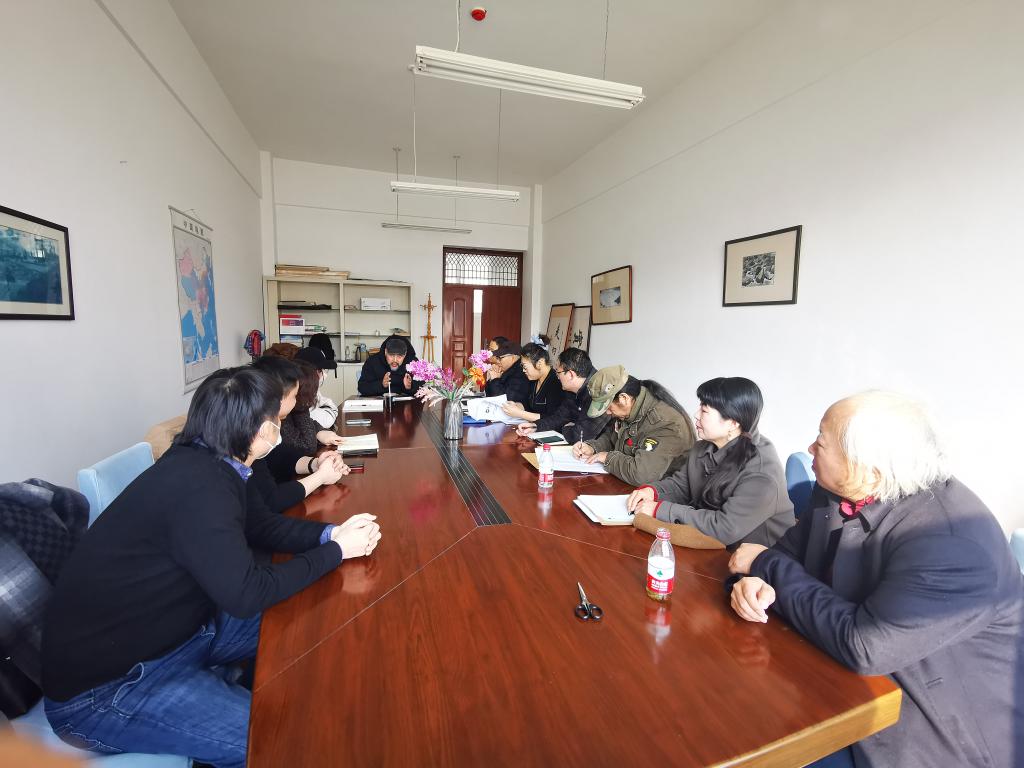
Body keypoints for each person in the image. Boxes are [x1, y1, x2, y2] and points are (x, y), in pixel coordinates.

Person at [41, 367, 381, 766]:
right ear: (258, 431)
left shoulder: (213, 462)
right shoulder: (200, 488)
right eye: (275, 421)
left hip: (182, 630)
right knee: (279, 742)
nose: (278, 429)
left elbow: (262, 526)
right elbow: (246, 593)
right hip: (107, 689)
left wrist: (331, 535)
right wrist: (336, 552)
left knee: (313, 620)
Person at [728, 391, 1024, 768]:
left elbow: (866, 645)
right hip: (835, 682)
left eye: (821, 442)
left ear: (870, 471)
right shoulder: (841, 488)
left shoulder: (951, 542)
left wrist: (768, 567)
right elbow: (786, 555)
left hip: (924, 733)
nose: (810, 448)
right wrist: (756, 584)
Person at [627, 377, 794, 547]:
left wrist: (659, 509)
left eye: (704, 410)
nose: (696, 414)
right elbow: (681, 486)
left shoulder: (761, 473)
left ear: (733, 423)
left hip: (753, 557)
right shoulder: (703, 447)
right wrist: (653, 492)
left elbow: (724, 528)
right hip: (712, 545)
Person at [252, 355, 348, 509]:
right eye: (295, 396)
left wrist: (316, 464)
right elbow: (271, 500)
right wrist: (321, 476)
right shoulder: (256, 433)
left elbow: (280, 456)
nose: (297, 400)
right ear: (277, 398)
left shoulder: (266, 423)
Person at [573, 365, 695, 486]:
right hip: (630, 487)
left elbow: (641, 474)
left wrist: (607, 458)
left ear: (624, 398)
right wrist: (593, 447)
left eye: (608, 407)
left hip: (662, 492)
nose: (608, 413)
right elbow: (613, 438)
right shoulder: (630, 408)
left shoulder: (665, 424)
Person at [515, 347, 610, 443]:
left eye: (558, 373)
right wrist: (535, 426)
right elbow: (559, 417)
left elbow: (579, 436)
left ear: (570, 374)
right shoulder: (572, 390)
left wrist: (565, 427)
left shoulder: (599, 392)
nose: (557, 377)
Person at [281, 359, 344, 457]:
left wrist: (319, 432)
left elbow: (309, 422)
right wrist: (302, 406)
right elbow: (308, 446)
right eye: (320, 370)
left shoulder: (292, 409)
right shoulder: (281, 418)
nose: (323, 375)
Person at [501, 337, 565, 422]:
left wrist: (520, 413)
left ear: (540, 363)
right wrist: (517, 406)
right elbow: (529, 405)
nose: (523, 370)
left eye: (525, 367)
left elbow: (553, 418)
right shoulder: (533, 380)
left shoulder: (555, 382)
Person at [294, 345, 339, 429]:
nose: (323, 374)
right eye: (320, 370)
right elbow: (327, 420)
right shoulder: (300, 392)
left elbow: (322, 401)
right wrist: (329, 409)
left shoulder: (311, 389)